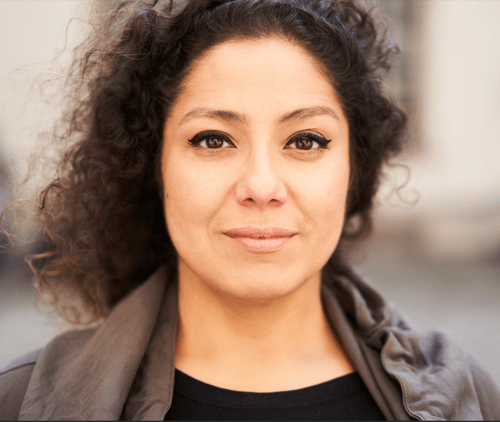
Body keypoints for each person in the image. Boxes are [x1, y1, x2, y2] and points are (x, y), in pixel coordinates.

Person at [1, 0, 499, 420]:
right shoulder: (20, 402)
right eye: (213, 139)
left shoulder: (468, 396)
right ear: (153, 169)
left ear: (354, 170)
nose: (261, 186)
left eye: (306, 140)